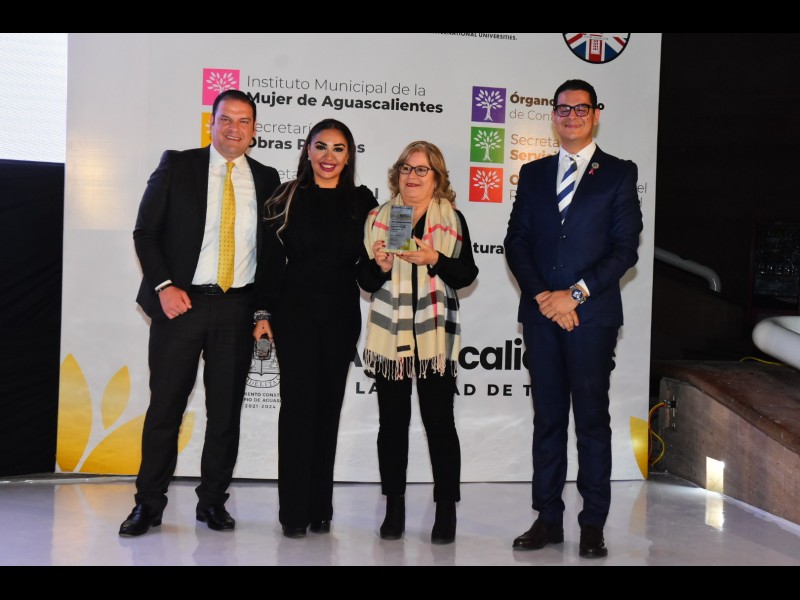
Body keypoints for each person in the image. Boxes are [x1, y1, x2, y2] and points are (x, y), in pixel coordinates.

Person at [121, 90, 281, 537]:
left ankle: (212, 502)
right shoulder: (178, 165)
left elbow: (271, 255)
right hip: (181, 306)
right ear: (211, 123)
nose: (234, 128)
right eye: (226, 119)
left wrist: (263, 311)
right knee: (165, 410)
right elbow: (145, 232)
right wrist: (164, 287)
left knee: (225, 414)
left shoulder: (267, 179)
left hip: (238, 308)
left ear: (254, 130)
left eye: (244, 121)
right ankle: (148, 505)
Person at [504, 79, 643, 558]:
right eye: (563, 109)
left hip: (592, 317)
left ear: (595, 114)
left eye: (581, 108)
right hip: (542, 314)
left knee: (591, 422)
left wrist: (575, 296)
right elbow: (516, 242)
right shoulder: (534, 173)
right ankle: (547, 518)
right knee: (547, 420)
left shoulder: (619, 173)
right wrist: (546, 298)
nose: (572, 116)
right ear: (553, 115)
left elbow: (625, 249)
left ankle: (592, 524)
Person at [252, 119, 377, 539]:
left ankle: (320, 508)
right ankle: (293, 512)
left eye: (338, 148)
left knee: (327, 411)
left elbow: (366, 273)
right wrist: (262, 313)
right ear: (307, 150)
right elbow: (270, 263)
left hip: (341, 315)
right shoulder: (285, 196)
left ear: (349, 155)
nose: (329, 156)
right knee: (297, 410)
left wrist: (382, 264)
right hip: (295, 314)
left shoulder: (363, 202)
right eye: (321, 146)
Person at [359, 141, 478, 544]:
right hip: (390, 336)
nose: (412, 176)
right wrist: (380, 266)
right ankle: (394, 507)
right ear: (397, 174)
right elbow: (364, 281)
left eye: (422, 170)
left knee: (439, 423)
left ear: (437, 177)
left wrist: (435, 260)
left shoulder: (452, 219)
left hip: (434, 339)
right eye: (406, 168)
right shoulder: (378, 218)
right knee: (392, 425)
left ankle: (446, 509)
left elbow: (466, 274)